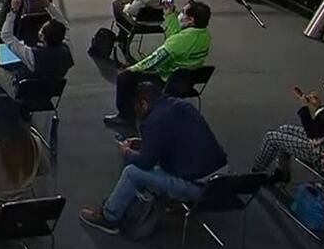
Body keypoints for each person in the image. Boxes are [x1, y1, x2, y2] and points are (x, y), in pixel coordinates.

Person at [80, 83, 228, 235]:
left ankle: (109, 218)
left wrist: (126, 152)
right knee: (161, 165)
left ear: (143, 103)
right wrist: (146, 143)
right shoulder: (182, 106)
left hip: (198, 186)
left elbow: (145, 163)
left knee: (132, 172)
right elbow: (177, 138)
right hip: (220, 179)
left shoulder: (153, 121)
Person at [251, 64, 324, 183]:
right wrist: (319, 108)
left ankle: (255, 175)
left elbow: (312, 132)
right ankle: (282, 172)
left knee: (271, 138)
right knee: (284, 129)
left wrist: (304, 108)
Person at [104, 0, 212, 126]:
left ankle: (126, 117)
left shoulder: (180, 41)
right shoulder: (205, 36)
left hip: (169, 79)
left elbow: (155, 60)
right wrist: (170, 16)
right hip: (187, 80)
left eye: (183, 12)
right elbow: (176, 36)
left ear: (191, 20)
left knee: (125, 77)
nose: (180, 14)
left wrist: (132, 69)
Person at [0, 0, 73, 93]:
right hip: (50, 90)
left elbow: (6, 36)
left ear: (42, 36)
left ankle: (6, 96)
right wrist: (47, 4)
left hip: (25, 92)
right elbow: (63, 24)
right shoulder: (67, 49)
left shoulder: (32, 56)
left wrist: (13, 11)